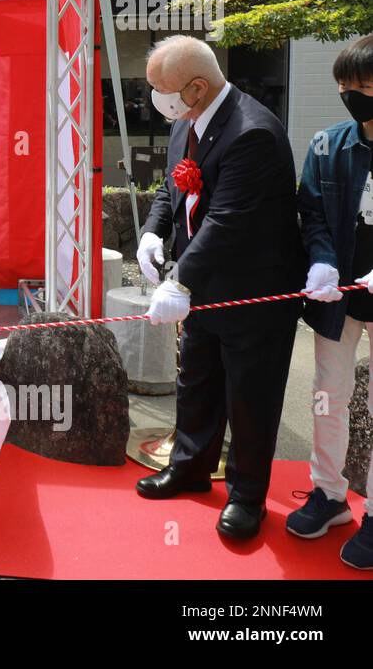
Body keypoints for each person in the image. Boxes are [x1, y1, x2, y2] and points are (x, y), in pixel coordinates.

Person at [135, 35, 304, 540]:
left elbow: (228, 221)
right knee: (198, 381)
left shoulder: (251, 132)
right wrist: (152, 231)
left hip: (254, 292)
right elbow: (173, 186)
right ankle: (190, 467)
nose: (155, 101)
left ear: (196, 87)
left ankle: (248, 497)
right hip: (205, 289)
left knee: (250, 397)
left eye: (162, 91)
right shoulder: (189, 122)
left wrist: (179, 278)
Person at [289, 33, 373, 569]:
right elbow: (311, 211)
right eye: (345, 86)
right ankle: (329, 493)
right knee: (327, 395)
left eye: (363, 86)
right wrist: (322, 259)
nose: (352, 95)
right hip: (339, 297)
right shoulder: (329, 145)